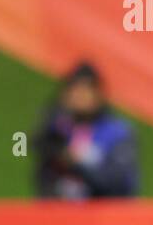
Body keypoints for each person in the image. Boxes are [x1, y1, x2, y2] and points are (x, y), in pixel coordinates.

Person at [34, 61, 139, 199]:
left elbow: (117, 183)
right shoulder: (60, 125)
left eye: (85, 91)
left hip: (104, 214)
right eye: (74, 91)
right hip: (61, 213)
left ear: (98, 94)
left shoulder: (117, 133)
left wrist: (76, 162)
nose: (79, 97)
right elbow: (34, 146)